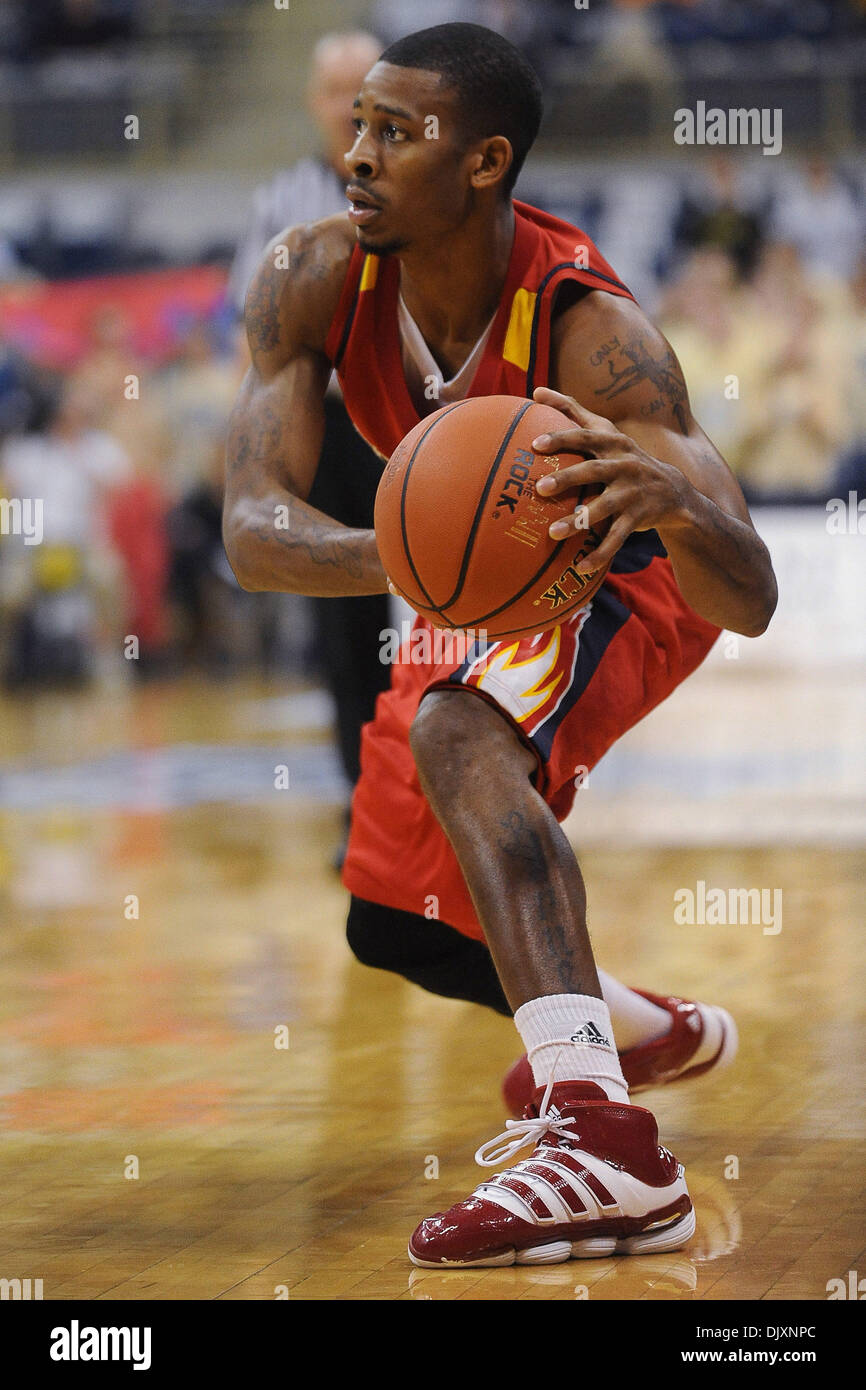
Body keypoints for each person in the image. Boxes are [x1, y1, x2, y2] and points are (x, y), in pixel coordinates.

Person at [223, 23, 777, 1268]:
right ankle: (620, 1029)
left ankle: (605, 1144)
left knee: (458, 733)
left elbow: (748, 592)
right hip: (469, 581)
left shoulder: (592, 333)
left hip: (624, 568)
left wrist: (675, 500)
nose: (354, 157)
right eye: (355, 126)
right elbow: (253, 531)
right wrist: (411, 560)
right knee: (395, 920)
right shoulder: (308, 275)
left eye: (392, 133)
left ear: (482, 163)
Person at [229, 30, 392, 842]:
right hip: (324, 428)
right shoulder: (279, 199)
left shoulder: (422, 184)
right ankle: (364, 802)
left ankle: (452, 797)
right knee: (345, 622)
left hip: (417, 420)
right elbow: (250, 340)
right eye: (334, 90)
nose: (348, 104)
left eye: (363, 86)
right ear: (312, 103)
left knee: (447, 611)